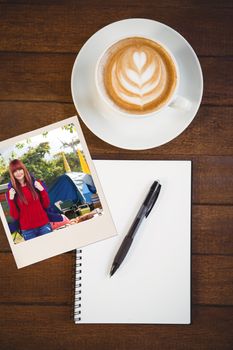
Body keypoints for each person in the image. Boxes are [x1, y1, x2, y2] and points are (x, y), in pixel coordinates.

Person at [6, 159, 53, 241]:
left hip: (44, 226)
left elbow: (46, 204)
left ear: (24, 169)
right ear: (12, 174)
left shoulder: (36, 184)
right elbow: (15, 216)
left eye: (20, 169)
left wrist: (42, 190)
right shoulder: (11, 192)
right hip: (28, 231)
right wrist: (11, 199)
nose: (18, 173)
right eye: (15, 171)